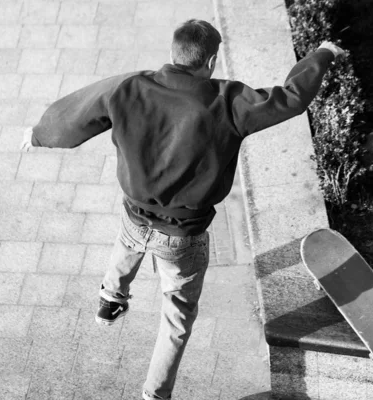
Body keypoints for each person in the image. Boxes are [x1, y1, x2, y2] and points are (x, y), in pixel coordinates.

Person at [21, 19, 345, 400]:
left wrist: (39, 134)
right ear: (209, 61)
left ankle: (111, 298)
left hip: (135, 214)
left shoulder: (131, 87)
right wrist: (324, 52)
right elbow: (290, 97)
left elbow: (79, 112)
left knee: (128, 245)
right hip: (182, 236)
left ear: (173, 53)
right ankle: (155, 394)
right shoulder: (228, 102)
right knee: (177, 317)